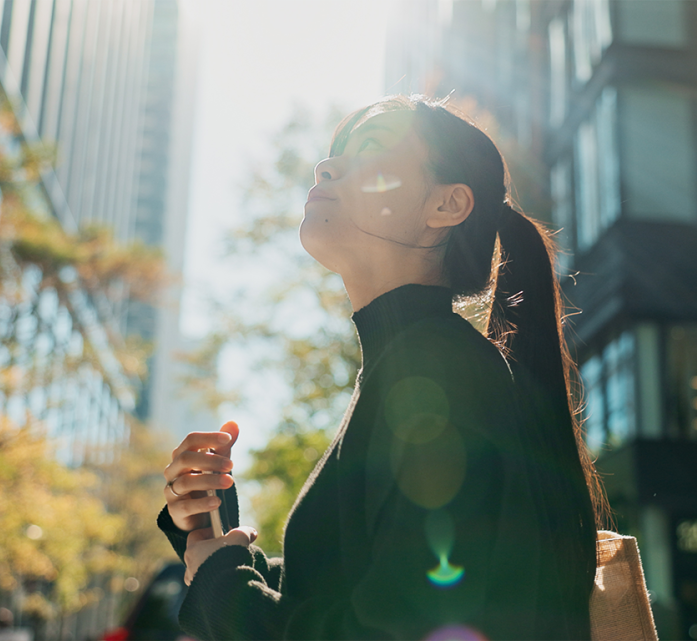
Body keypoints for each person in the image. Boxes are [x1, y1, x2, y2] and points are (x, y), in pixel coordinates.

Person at [158, 95, 606, 640]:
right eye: (334, 154)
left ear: (446, 206)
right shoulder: (417, 367)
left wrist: (220, 584)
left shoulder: (434, 373)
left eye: (369, 147)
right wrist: (206, 529)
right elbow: (345, 593)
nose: (327, 165)